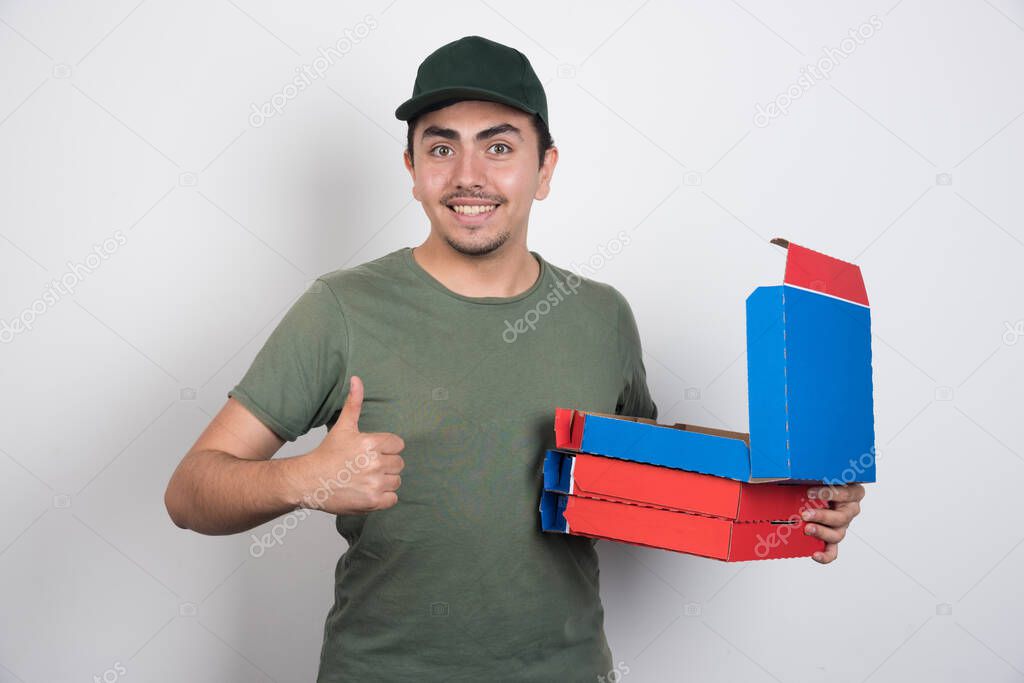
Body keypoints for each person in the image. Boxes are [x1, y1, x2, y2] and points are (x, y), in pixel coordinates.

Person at [164, 35, 864, 682]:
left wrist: (799, 493)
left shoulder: (601, 315)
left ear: (544, 168)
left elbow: (650, 476)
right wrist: (304, 479)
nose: (468, 175)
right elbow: (191, 491)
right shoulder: (340, 309)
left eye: (498, 147)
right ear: (411, 169)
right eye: (441, 148)